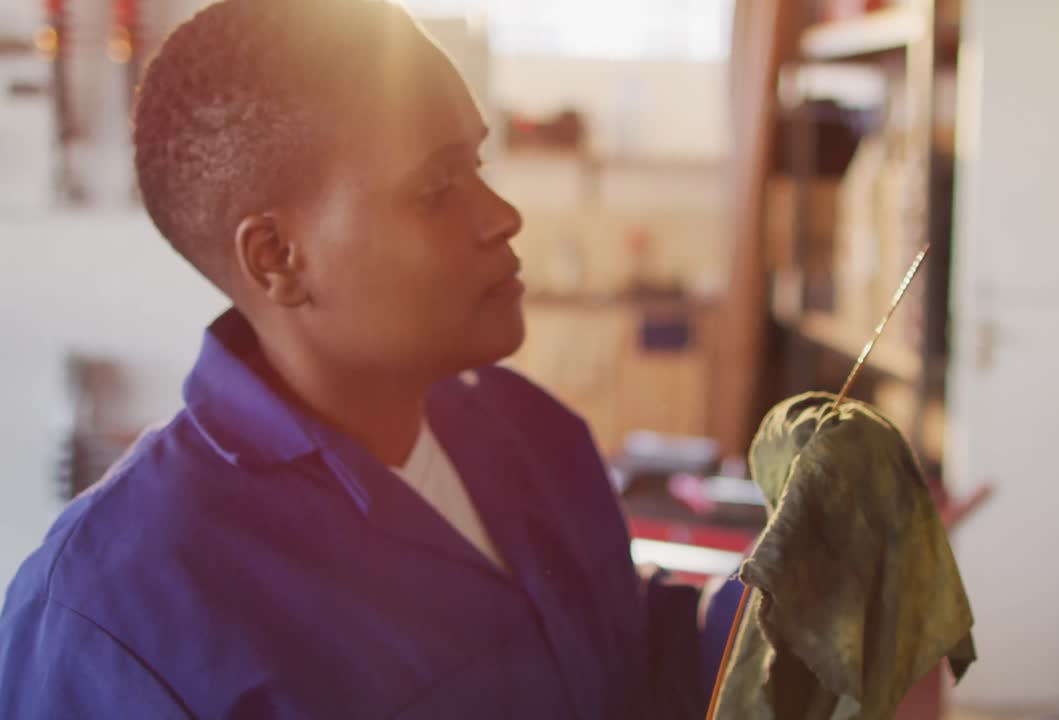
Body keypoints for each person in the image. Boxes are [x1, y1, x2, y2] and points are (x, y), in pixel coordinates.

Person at [0, 1, 716, 717]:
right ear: (278, 258)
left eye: (478, 164)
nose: (503, 215)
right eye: (437, 189)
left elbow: (632, 659)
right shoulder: (113, 615)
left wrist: (790, 582)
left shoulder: (532, 432)